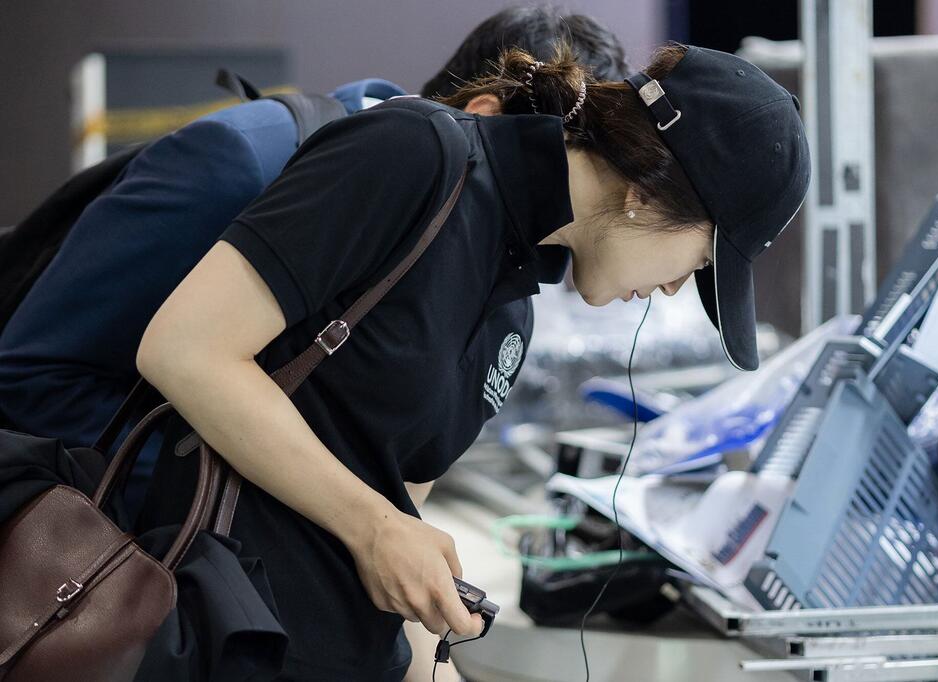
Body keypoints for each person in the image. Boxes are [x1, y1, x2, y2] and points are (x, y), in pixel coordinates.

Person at [133, 37, 810, 680]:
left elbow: (399, 520)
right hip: (222, 645)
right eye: (697, 261)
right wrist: (371, 528)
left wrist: (434, 629)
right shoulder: (415, 154)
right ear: (645, 192)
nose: (671, 288)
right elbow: (186, 348)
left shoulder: (514, 311)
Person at [0, 7, 629, 517]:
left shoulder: (478, 268)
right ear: (484, 117)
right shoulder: (247, 163)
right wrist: (271, 508)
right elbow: (33, 377)